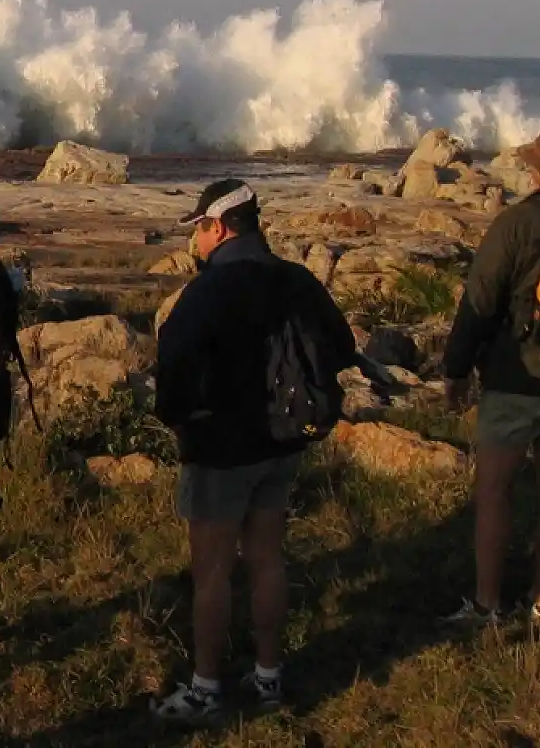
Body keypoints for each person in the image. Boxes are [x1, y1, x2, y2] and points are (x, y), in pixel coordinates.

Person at [150, 179, 355, 723]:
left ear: (218, 228)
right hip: (282, 442)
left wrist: (176, 420)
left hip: (220, 446)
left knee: (211, 571)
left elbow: (171, 363)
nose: (195, 242)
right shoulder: (294, 279)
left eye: (198, 230)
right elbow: (342, 345)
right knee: (267, 556)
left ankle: (205, 688)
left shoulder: (209, 290)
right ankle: (268, 676)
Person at [442, 132, 540, 626]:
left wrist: (456, 369)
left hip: (516, 378)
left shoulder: (517, 224)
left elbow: (479, 301)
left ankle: (488, 604)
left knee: (495, 490)